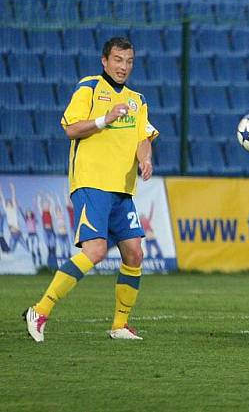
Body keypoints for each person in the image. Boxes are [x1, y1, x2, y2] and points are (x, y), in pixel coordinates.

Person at [23, 37, 159, 342]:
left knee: (135, 253)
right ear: (105, 61)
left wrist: (145, 160)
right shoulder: (90, 87)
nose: (124, 67)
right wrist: (104, 119)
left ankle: (119, 325)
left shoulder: (138, 100)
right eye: (118, 60)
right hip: (91, 183)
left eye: (129, 61)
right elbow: (70, 128)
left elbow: (143, 137)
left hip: (122, 190)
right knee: (95, 251)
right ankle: (40, 311)